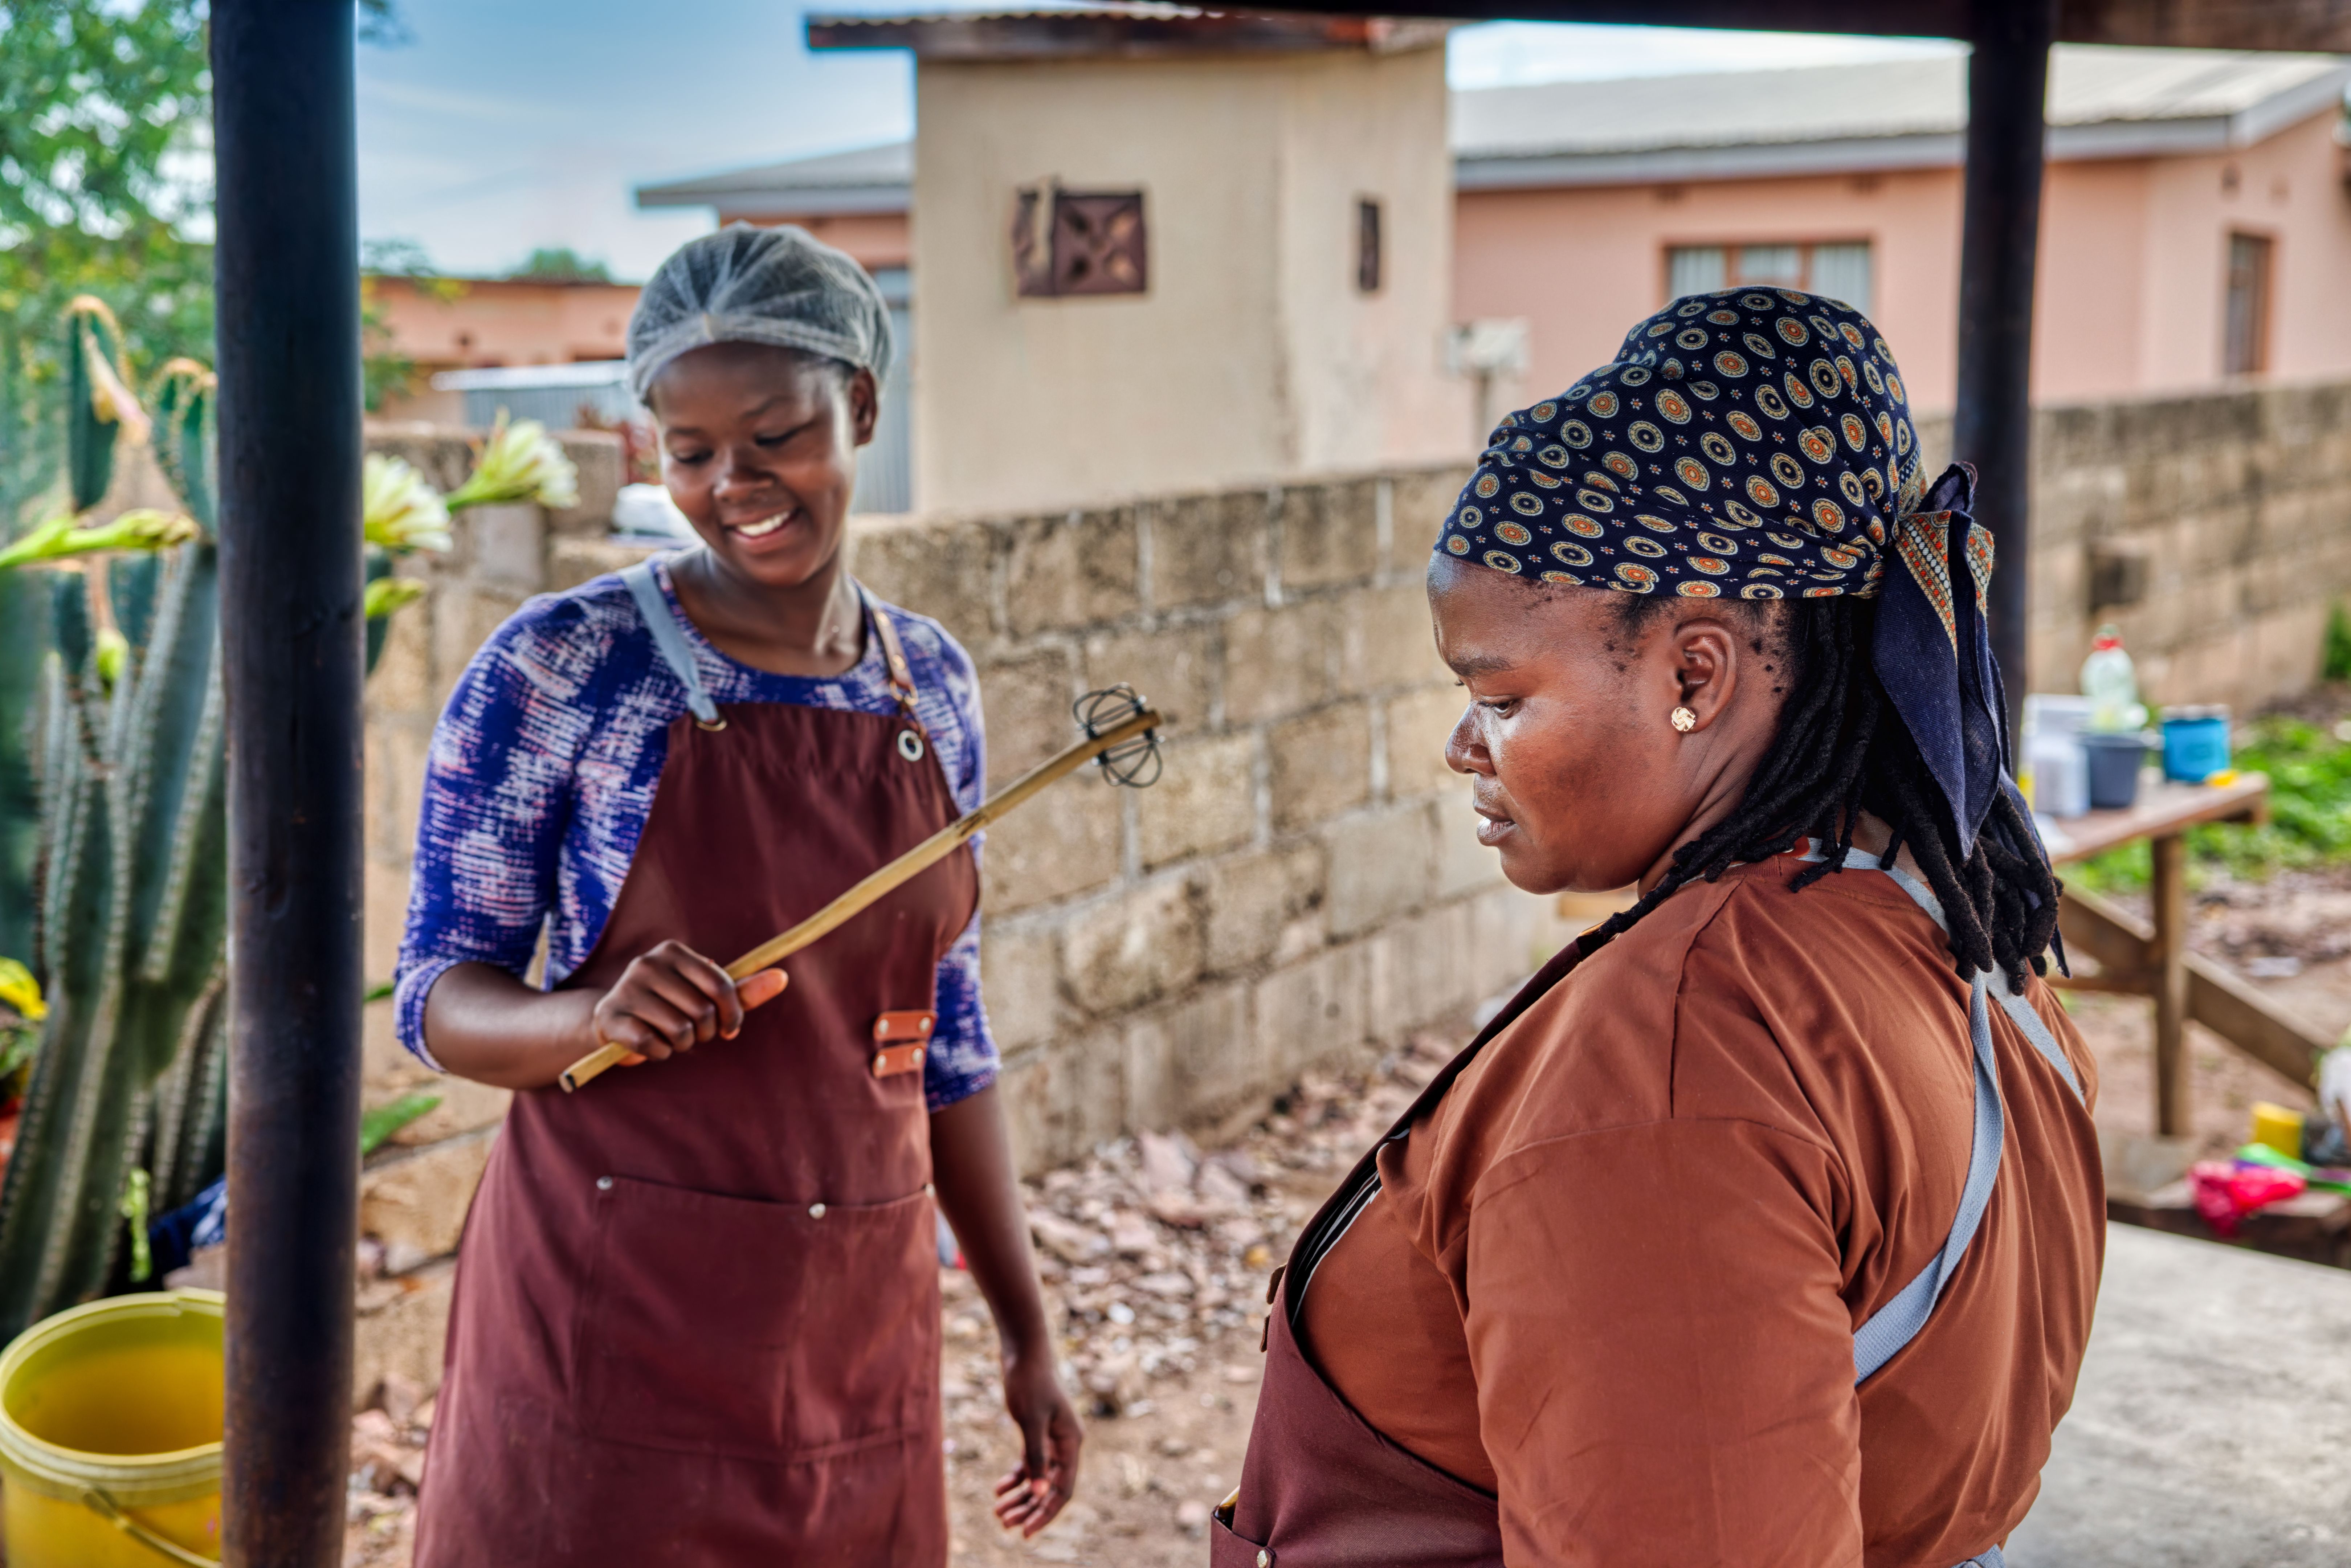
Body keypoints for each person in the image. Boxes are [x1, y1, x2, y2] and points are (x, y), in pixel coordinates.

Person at [1214, 291, 2101, 1568]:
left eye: (1502, 694)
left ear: (1695, 673)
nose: (1464, 745)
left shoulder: (1680, 1057)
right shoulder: (1947, 923)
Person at [401, 225, 1081, 1565]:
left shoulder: (927, 683)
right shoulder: (565, 667)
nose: (734, 487)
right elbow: (439, 999)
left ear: (864, 409)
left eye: (776, 437)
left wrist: (1025, 1330)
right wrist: (588, 1023)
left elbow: (948, 1043)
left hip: (852, 1320)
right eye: (691, 452)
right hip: (609, 1323)